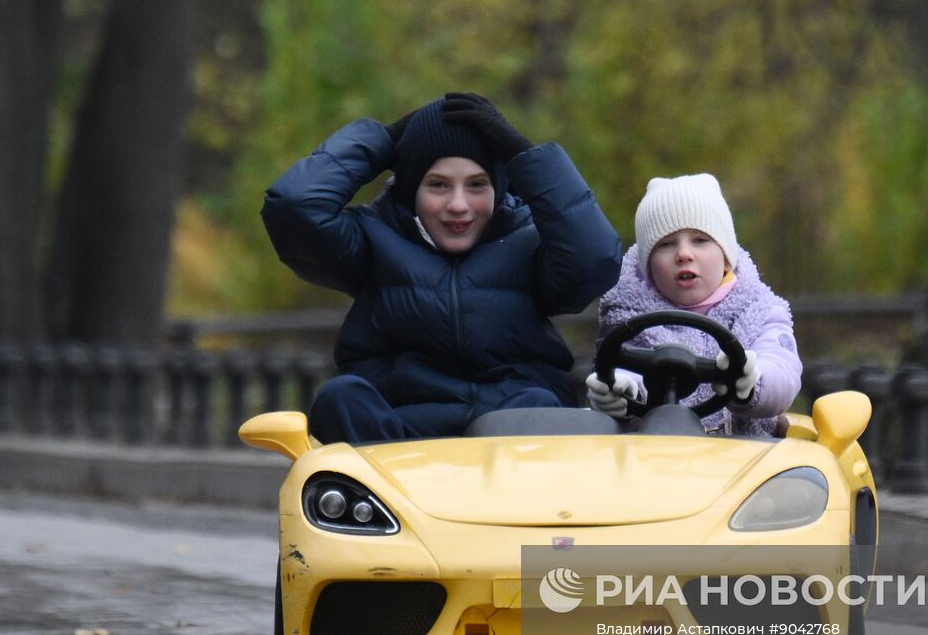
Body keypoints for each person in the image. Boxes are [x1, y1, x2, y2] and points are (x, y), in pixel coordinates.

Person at [262, 93, 623, 445]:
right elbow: (294, 208)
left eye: (477, 185)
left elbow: (595, 260)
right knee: (340, 397)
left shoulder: (530, 239)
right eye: (437, 185)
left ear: (499, 186)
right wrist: (382, 141)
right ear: (410, 189)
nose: (458, 205)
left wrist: (523, 156)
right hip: (400, 440)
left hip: (510, 433)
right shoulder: (372, 238)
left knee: (541, 404)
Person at [586, 173, 801, 436]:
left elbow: (783, 370)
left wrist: (752, 381)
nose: (684, 254)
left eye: (700, 240)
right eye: (665, 244)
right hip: (650, 463)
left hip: (747, 463)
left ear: (726, 258)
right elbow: (622, 367)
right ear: (649, 267)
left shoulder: (760, 311)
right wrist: (618, 391)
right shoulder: (628, 318)